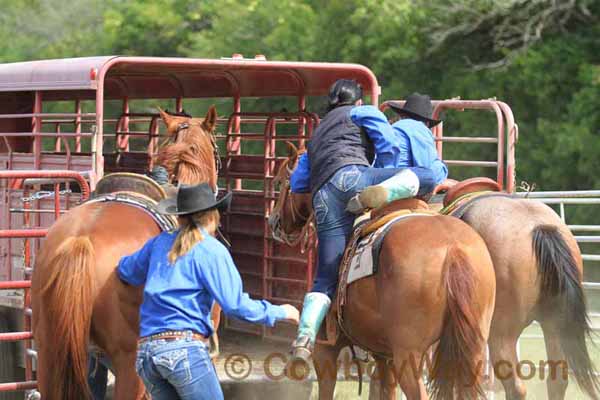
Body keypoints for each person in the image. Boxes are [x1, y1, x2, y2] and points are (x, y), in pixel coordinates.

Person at [287, 79, 437, 364]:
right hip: (355, 178)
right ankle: (378, 194)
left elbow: (298, 182)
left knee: (324, 277)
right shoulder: (362, 112)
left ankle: (304, 338)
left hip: (322, 197)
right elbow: (389, 144)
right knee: (427, 175)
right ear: (357, 101)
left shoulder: (316, 132)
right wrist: (388, 171)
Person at [117, 182, 299, 400]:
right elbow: (235, 305)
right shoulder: (212, 250)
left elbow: (125, 270)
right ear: (213, 216)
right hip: (183, 350)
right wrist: (282, 312)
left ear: (179, 216)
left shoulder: (158, 244)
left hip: (147, 355)